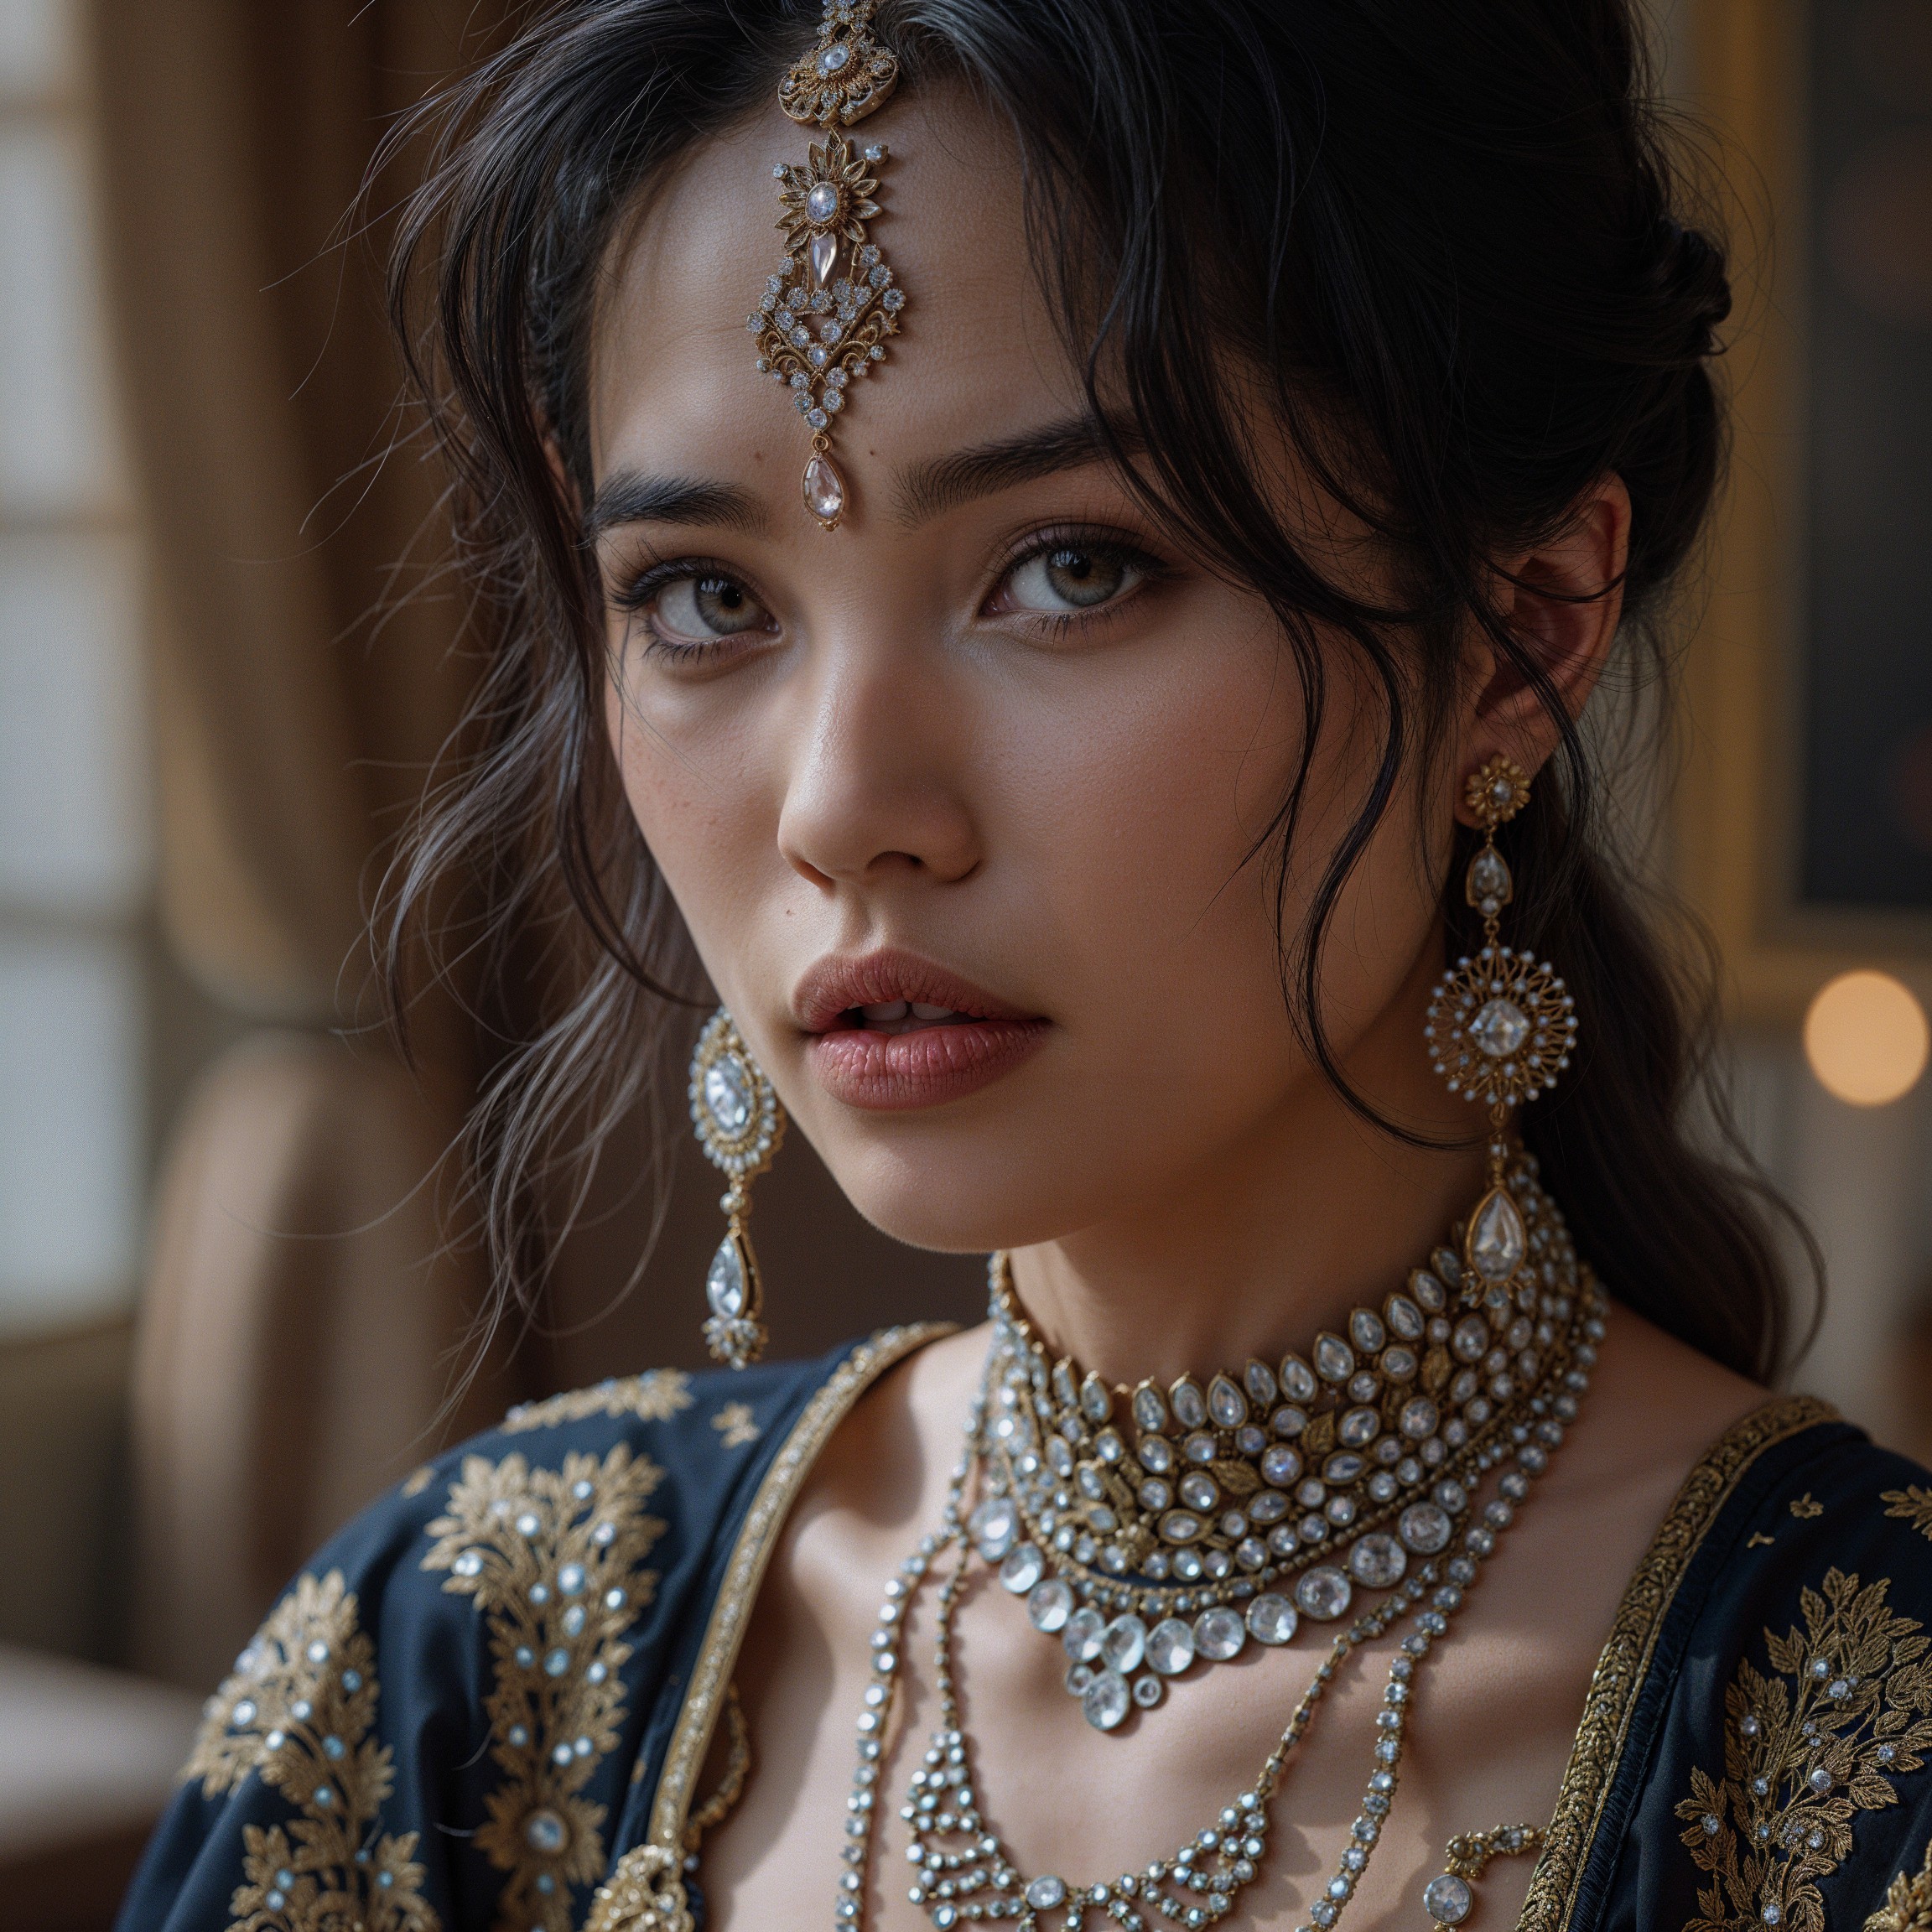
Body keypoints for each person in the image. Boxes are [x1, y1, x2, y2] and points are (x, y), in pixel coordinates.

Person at [118, 2, 1932, 1929]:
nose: (842, 809)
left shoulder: (1851, 1764)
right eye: (708, 598)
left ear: (1518, 636)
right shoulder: (472, 1673)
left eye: (1069, 567)